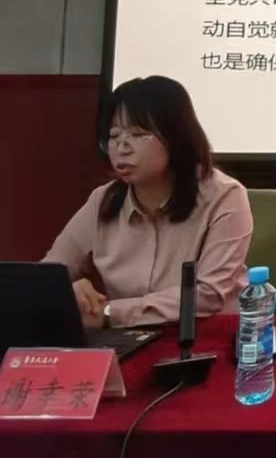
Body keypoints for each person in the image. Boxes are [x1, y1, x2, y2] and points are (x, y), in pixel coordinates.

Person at [45, 75, 252, 329]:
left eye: (138, 134)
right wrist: (67, 293)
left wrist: (110, 313)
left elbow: (207, 296)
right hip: (130, 337)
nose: (122, 148)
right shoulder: (103, 200)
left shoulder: (225, 197)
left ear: (176, 138)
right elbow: (49, 275)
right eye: (114, 136)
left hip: (209, 335)